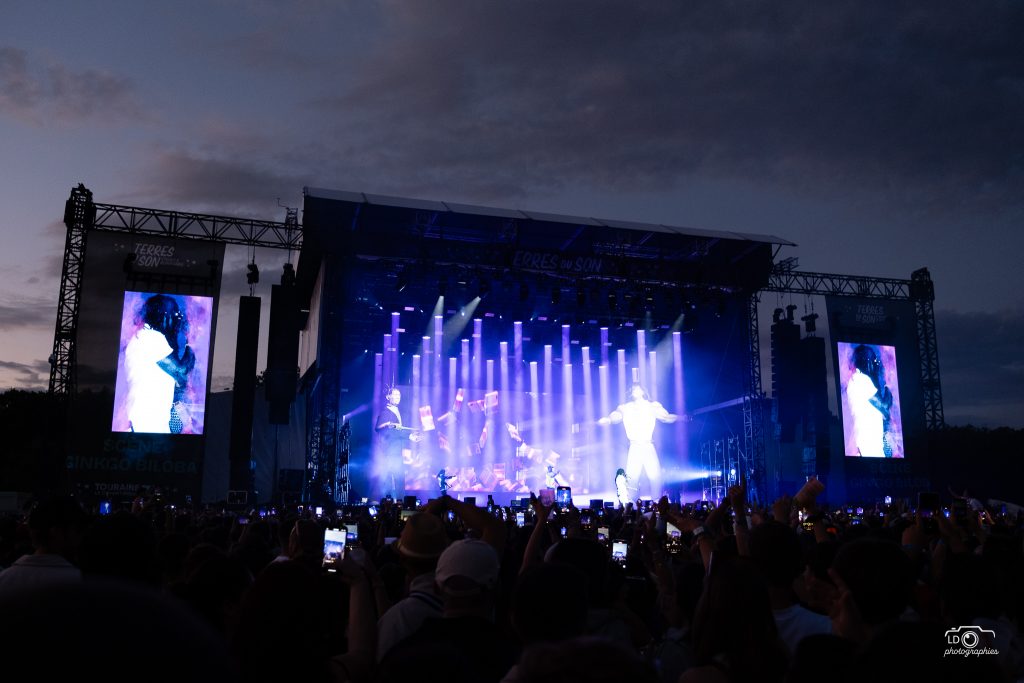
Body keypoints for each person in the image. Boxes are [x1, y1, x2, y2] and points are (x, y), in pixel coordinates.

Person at [123, 293, 195, 434]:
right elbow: (182, 372)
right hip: (149, 429)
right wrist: (190, 339)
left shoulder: (145, 338)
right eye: (175, 314)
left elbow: (177, 380)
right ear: (164, 316)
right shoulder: (151, 339)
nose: (177, 321)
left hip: (147, 428)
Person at [598, 384, 679, 499]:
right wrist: (609, 419)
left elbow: (666, 417)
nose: (634, 390)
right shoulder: (625, 407)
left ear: (643, 391)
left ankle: (657, 501)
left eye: (637, 388)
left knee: (655, 476)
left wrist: (679, 417)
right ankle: (632, 503)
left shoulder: (652, 406)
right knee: (632, 478)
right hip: (634, 446)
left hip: (648, 445)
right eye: (632, 388)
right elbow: (617, 415)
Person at [845, 344, 893, 458]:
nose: (876, 365)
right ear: (866, 361)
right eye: (874, 360)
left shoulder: (860, 381)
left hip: (870, 447)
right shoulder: (860, 380)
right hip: (869, 448)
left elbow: (883, 413)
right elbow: (885, 407)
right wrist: (887, 382)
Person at [375, 387, 420, 498]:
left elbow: (397, 431)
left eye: (398, 395)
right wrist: (388, 424)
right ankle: (389, 503)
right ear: (388, 397)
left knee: (399, 480)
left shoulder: (396, 410)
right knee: (392, 480)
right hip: (390, 452)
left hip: (397, 452)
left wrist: (410, 436)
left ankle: (399, 503)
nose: (397, 397)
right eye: (394, 395)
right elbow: (379, 427)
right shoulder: (386, 412)